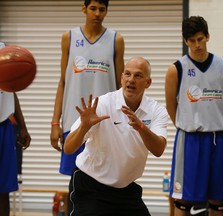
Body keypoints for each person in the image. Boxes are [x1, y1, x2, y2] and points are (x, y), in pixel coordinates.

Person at [64, 57, 168, 215]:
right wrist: (84, 127)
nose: (131, 80)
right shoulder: (103, 104)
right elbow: (68, 148)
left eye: (138, 75)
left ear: (148, 82)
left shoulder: (156, 110)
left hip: (125, 190)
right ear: (121, 78)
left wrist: (141, 127)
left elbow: (159, 149)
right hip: (91, 186)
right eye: (127, 74)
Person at [165, 16, 223, 216]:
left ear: (207, 37)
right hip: (190, 139)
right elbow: (172, 107)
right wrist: (188, 124)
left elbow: (221, 97)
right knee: (183, 200)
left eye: (200, 39)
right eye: (192, 40)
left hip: (218, 138)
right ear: (185, 40)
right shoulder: (176, 69)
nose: (197, 45)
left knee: (218, 201)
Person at [50, 0, 125, 176]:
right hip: (73, 121)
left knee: (102, 177)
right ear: (84, 9)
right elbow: (62, 82)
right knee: (74, 180)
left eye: (102, 9)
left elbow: (120, 87)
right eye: (93, 8)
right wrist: (55, 123)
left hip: (103, 121)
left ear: (106, 11)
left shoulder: (116, 40)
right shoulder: (68, 37)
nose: (97, 14)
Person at [0, 91, 31, 216]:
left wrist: (22, 127)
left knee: (3, 190)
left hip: (4, 126)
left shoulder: (5, 72)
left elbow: (10, 93)